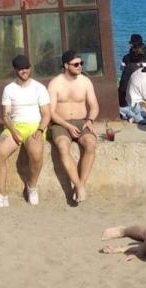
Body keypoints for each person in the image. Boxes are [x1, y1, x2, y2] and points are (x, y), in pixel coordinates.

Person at [0, 54, 51, 208]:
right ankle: (2, 195)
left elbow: (47, 114)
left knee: (36, 153)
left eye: (26, 68)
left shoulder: (39, 88)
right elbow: (6, 115)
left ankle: (32, 186)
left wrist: (40, 130)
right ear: (15, 70)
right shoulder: (9, 89)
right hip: (16, 125)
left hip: (35, 125)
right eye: (21, 69)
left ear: (30, 68)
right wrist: (13, 131)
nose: (24, 71)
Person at [48, 50, 99, 205]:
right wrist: (67, 126)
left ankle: (80, 185)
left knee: (90, 143)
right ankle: (78, 185)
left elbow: (94, 106)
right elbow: (50, 112)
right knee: (63, 146)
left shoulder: (85, 82)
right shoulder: (55, 83)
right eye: (76, 64)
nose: (80, 67)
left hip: (81, 121)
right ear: (66, 66)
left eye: (81, 63)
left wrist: (90, 120)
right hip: (60, 122)